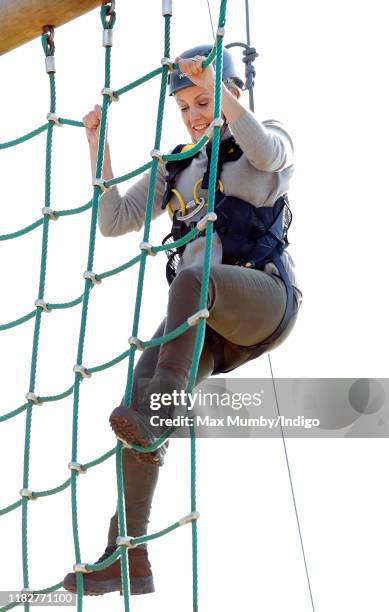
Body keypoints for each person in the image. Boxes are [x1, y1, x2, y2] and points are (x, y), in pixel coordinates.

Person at [63, 45, 303, 597]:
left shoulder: (268, 136)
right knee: (138, 394)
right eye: (186, 106)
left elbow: (266, 153)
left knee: (192, 290)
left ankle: (159, 414)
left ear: (232, 94)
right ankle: (127, 556)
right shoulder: (177, 165)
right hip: (202, 324)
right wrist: (98, 149)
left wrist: (219, 90)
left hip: (260, 298)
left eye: (204, 100)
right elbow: (114, 220)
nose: (196, 115)